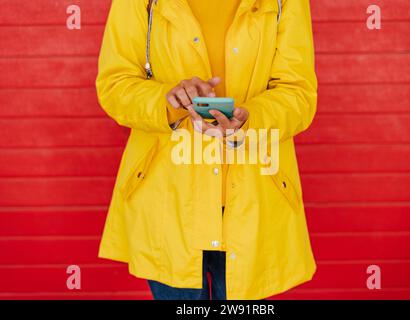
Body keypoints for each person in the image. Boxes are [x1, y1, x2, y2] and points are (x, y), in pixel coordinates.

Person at [96, 0, 317, 300]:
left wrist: (251, 120)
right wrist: (168, 100)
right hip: (169, 209)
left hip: (253, 208)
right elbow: (115, 85)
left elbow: (298, 93)